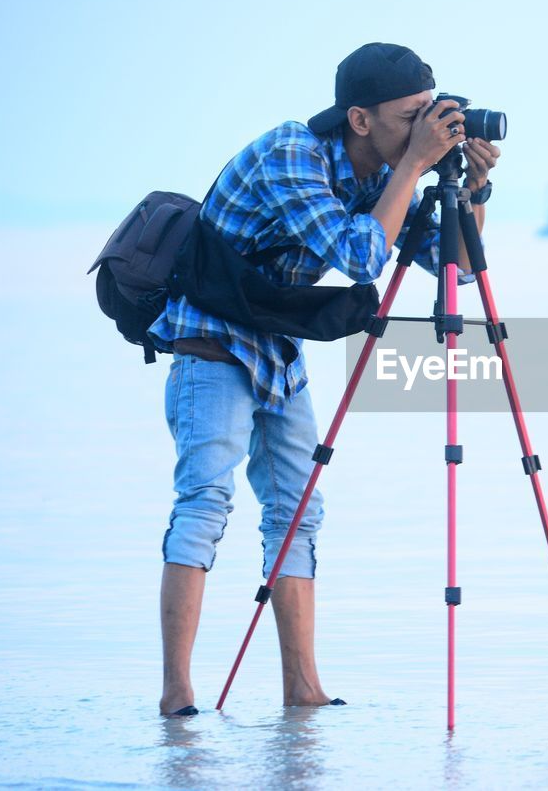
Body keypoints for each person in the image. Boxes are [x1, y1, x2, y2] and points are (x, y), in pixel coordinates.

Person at [146, 43, 501, 716]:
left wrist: (473, 191)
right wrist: (418, 167)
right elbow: (363, 255)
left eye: (433, 112)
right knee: (205, 504)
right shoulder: (293, 155)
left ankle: (302, 688)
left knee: (298, 514)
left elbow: (451, 265)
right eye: (412, 116)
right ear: (360, 119)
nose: (427, 126)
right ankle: (176, 695)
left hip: (274, 345)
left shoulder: (381, 170)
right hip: (211, 340)